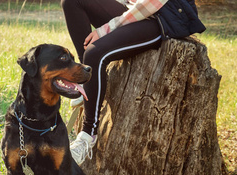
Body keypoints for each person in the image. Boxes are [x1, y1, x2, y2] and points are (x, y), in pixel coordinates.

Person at [61, 0, 206, 164]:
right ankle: (88, 79)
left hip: (162, 17)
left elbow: (149, 5)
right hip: (133, 10)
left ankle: (88, 135)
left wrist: (105, 30)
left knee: (95, 54)